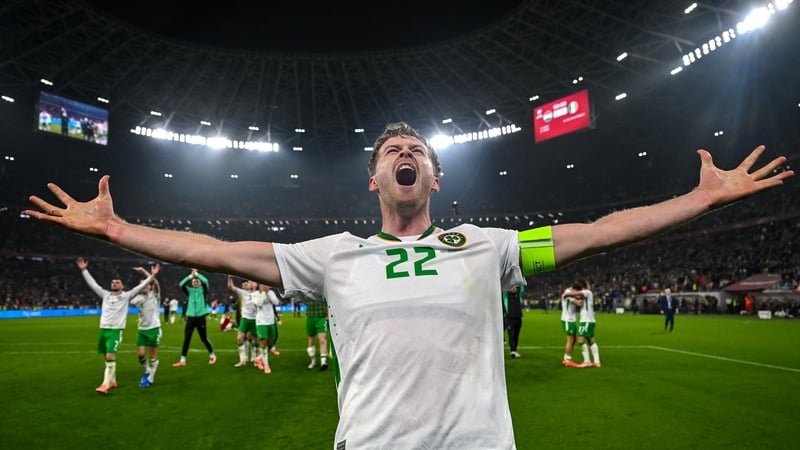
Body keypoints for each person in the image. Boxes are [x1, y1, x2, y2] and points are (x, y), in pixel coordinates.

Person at [28, 121, 793, 448]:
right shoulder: (334, 255)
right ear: (374, 178)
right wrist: (119, 231)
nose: (407, 153)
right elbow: (221, 250)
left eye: (418, 149)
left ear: (433, 174)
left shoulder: (488, 245)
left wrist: (698, 199)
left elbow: (595, 233)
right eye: (394, 148)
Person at [76, 257, 159, 395]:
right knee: (106, 357)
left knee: (110, 357)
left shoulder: (126, 296)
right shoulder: (105, 294)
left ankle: (105, 385)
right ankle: (113, 381)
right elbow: (92, 284)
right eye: (113, 282)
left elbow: (140, 286)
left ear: (122, 286)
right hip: (103, 330)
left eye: (117, 282)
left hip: (115, 331)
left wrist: (153, 275)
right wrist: (84, 270)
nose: (114, 283)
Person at [172, 268, 217, 366]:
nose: (195, 281)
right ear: (191, 283)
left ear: (200, 283)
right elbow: (181, 284)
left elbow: (206, 281)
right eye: (194, 281)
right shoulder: (189, 291)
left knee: (204, 338)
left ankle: (212, 355)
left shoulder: (203, 291)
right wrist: (190, 276)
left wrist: (197, 274)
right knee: (187, 338)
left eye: (197, 281)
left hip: (201, 317)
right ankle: (182, 360)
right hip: (191, 318)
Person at [130, 274, 162, 387]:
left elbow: (156, 283)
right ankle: (147, 370)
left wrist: (144, 272)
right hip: (142, 330)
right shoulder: (137, 299)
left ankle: (150, 378)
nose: (143, 286)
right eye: (141, 285)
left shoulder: (155, 295)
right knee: (140, 355)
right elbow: (126, 298)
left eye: (146, 284)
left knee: (153, 356)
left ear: (150, 286)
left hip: (154, 329)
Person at [227, 276, 260, 367]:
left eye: (253, 282)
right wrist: (229, 278)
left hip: (255, 319)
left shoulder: (259, 294)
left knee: (255, 340)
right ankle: (242, 360)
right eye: (250, 282)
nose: (251, 284)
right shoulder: (243, 293)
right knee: (239, 338)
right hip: (245, 319)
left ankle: (255, 357)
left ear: (256, 285)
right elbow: (231, 287)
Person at [571, 279, 601, 368]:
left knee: (580, 340)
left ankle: (587, 361)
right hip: (590, 320)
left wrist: (567, 293)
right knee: (591, 340)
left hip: (586, 320)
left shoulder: (586, 292)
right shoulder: (587, 293)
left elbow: (577, 295)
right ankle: (596, 361)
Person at [252, 283, 281, 374]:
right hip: (261, 322)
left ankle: (258, 358)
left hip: (271, 321)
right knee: (263, 342)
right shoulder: (255, 294)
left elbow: (276, 302)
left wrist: (268, 292)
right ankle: (266, 365)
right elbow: (258, 303)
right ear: (259, 285)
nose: (265, 286)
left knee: (271, 343)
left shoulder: (271, 292)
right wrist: (264, 293)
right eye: (263, 284)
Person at [302, 294, 330, 370]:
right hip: (310, 317)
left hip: (321, 317)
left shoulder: (323, 288)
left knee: (322, 339)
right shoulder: (307, 289)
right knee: (311, 341)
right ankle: (313, 361)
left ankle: (323, 362)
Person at [559, 283, 580, 367]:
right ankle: (567, 360)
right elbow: (578, 303)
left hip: (571, 319)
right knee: (570, 339)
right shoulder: (568, 293)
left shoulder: (570, 292)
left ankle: (566, 357)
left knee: (574, 339)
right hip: (568, 319)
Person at [502, 284, 525, 358]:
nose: (514, 288)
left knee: (516, 335)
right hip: (509, 319)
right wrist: (508, 289)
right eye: (512, 287)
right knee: (511, 335)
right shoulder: (506, 296)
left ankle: (514, 350)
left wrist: (518, 284)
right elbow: (502, 288)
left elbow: (522, 288)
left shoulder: (519, 296)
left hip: (518, 318)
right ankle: (512, 351)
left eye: (515, 287)